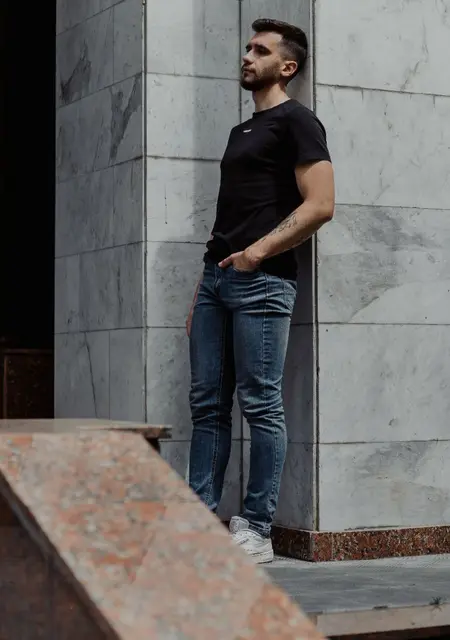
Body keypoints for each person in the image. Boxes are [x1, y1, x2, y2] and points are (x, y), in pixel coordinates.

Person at [186, 18, 335, 563]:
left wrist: (256, 253)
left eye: (260, 50)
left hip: (263, 282)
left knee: (260, 404)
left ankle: (256, 528)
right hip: (217, 281)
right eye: (247, 48)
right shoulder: (241, 131)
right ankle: (199, 519)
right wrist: (203, 288)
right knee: (207, 405)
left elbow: (320, 205)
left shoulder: (299, 121)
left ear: (287, 67)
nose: (247, 56)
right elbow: (228, 216)